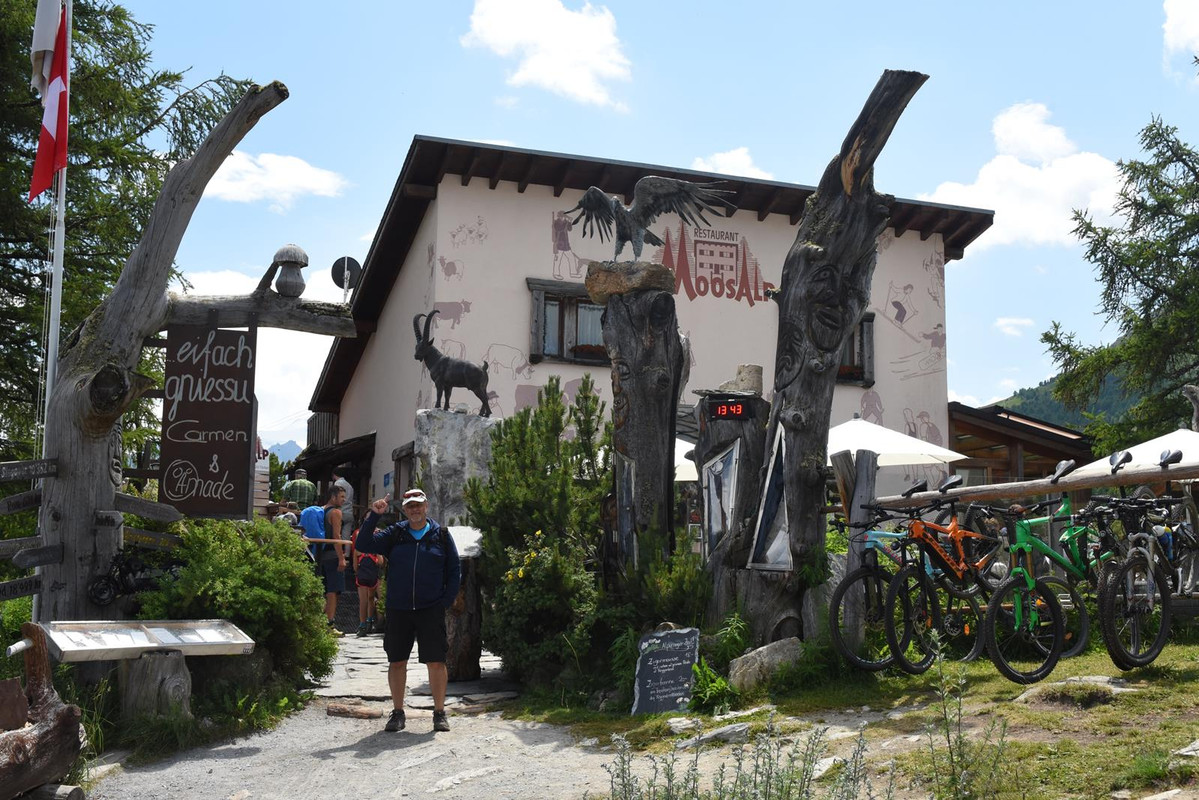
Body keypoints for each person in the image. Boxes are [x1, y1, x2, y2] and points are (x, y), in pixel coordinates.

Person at [358, 488, 460, 733]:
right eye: (410, 505)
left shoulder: (441, 535)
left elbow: (454, 570)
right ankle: (397, 713)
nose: (415, 509)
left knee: (436, 661)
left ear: (426, 506)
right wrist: (374, 515)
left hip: (430, 609)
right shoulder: (396, 533)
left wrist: (444, 602)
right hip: (399, 608)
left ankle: (439, 713)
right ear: (404, 509)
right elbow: (363, 543)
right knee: (397, 661)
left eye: (419, 505)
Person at [300, 484, 347, 636]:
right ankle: (329, 625)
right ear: (333, 497)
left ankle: (320, 623)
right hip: (333, 555)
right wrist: (341, 558)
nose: (344, 500)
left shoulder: (321, 510)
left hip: (320, 555)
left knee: (324, 590)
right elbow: (336, 536)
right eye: (341, 497)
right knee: (333, 591)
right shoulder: (336, 512)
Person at [350, 525, 383, 637]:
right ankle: (369, 621)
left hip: (362, 576)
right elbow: (381, 562)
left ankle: (363, 624)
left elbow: (355, 567)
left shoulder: (358, 550)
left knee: (363, 601)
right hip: (373, 576)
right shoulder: (376, 548)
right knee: (370, 598)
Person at [332, 466, 355, 542]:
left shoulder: (337, 483)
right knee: (347, 537)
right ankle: (347, 553)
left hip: (340, 512)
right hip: (349, 512)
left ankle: (338, 553)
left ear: (334, 475)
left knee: (337, 534)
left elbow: (336, 497)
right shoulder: (349, 486)